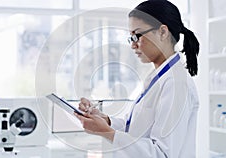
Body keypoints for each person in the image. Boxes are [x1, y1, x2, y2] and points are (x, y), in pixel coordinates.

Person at [74, 0, 200, 157]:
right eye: (131, 38)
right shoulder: (160, 78)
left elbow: (162, 154)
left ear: (162, 32)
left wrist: (107, 132)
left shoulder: (176, 84)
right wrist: (105, 120)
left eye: (137, 36)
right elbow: (133, 127)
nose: (133, 45)